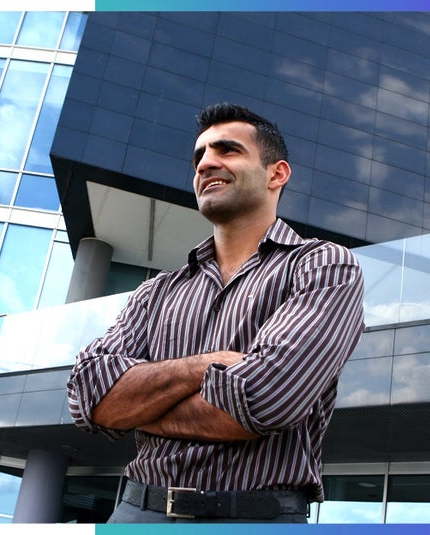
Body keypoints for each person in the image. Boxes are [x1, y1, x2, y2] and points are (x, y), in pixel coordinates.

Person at [67, 103, 364, 523]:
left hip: (254, 518)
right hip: (137, 513)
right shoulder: (156, 291)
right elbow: (88, 397)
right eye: (199, 156)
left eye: (227, 150)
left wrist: (137, 405)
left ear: (276, 174)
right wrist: (206, 366)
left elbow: (265, 400)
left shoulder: (323, 266)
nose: (206, 163)